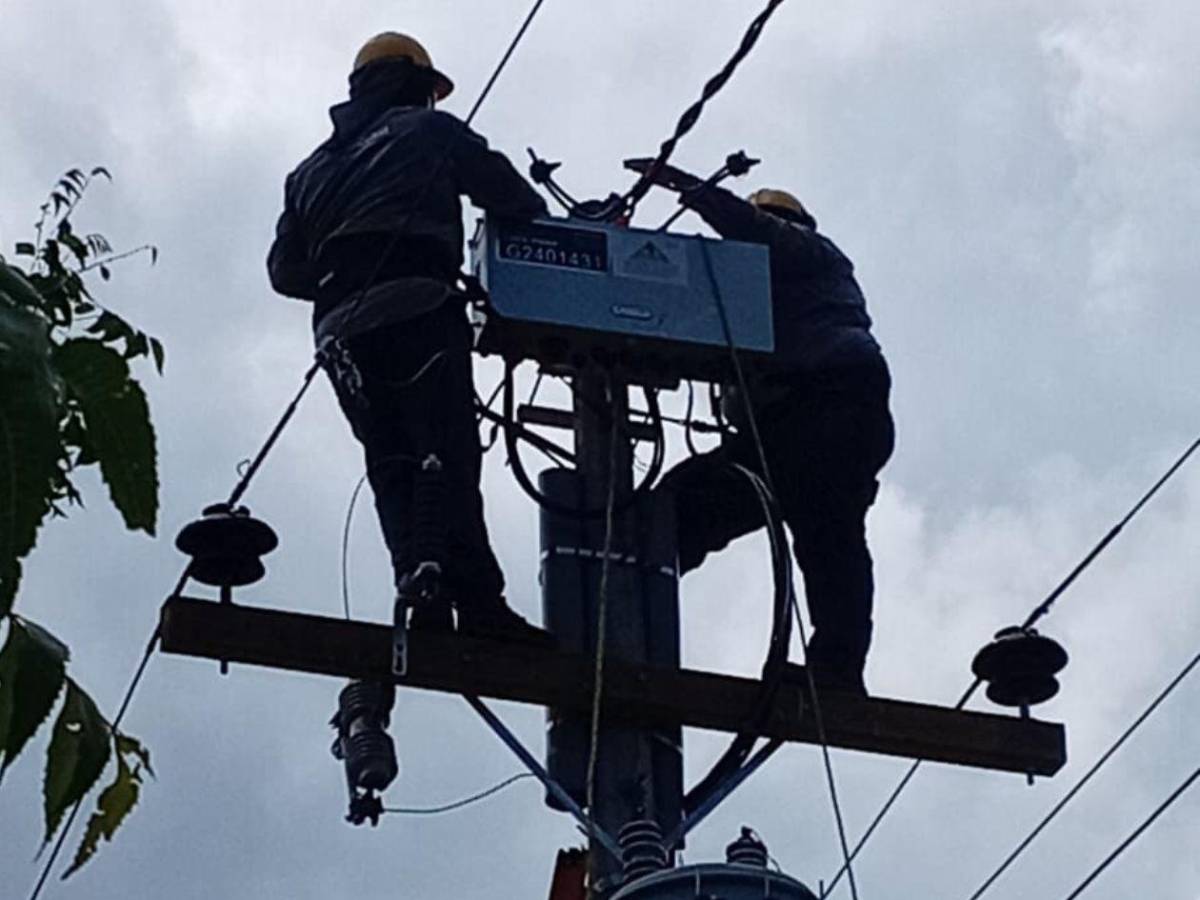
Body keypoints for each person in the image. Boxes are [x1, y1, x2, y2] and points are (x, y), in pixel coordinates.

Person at [267, 32, 550, 642]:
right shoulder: (429, 132)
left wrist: (345, 268)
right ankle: (478, 604)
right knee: (445, 453)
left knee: (393, 459)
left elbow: (284, 273)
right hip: (417, 305)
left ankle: (419, 582)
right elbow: (512, 197)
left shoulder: (308, 171)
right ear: (418, 88)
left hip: (341, 331)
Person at [648, 167, 894, 694]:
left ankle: (836, 671)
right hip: (807, 418)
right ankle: (636, 601)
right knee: (687, 509)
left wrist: (696, 192)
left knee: (827, 536)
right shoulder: (747, 305)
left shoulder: (811, 252)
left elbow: (759, 233)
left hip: (831, 403)